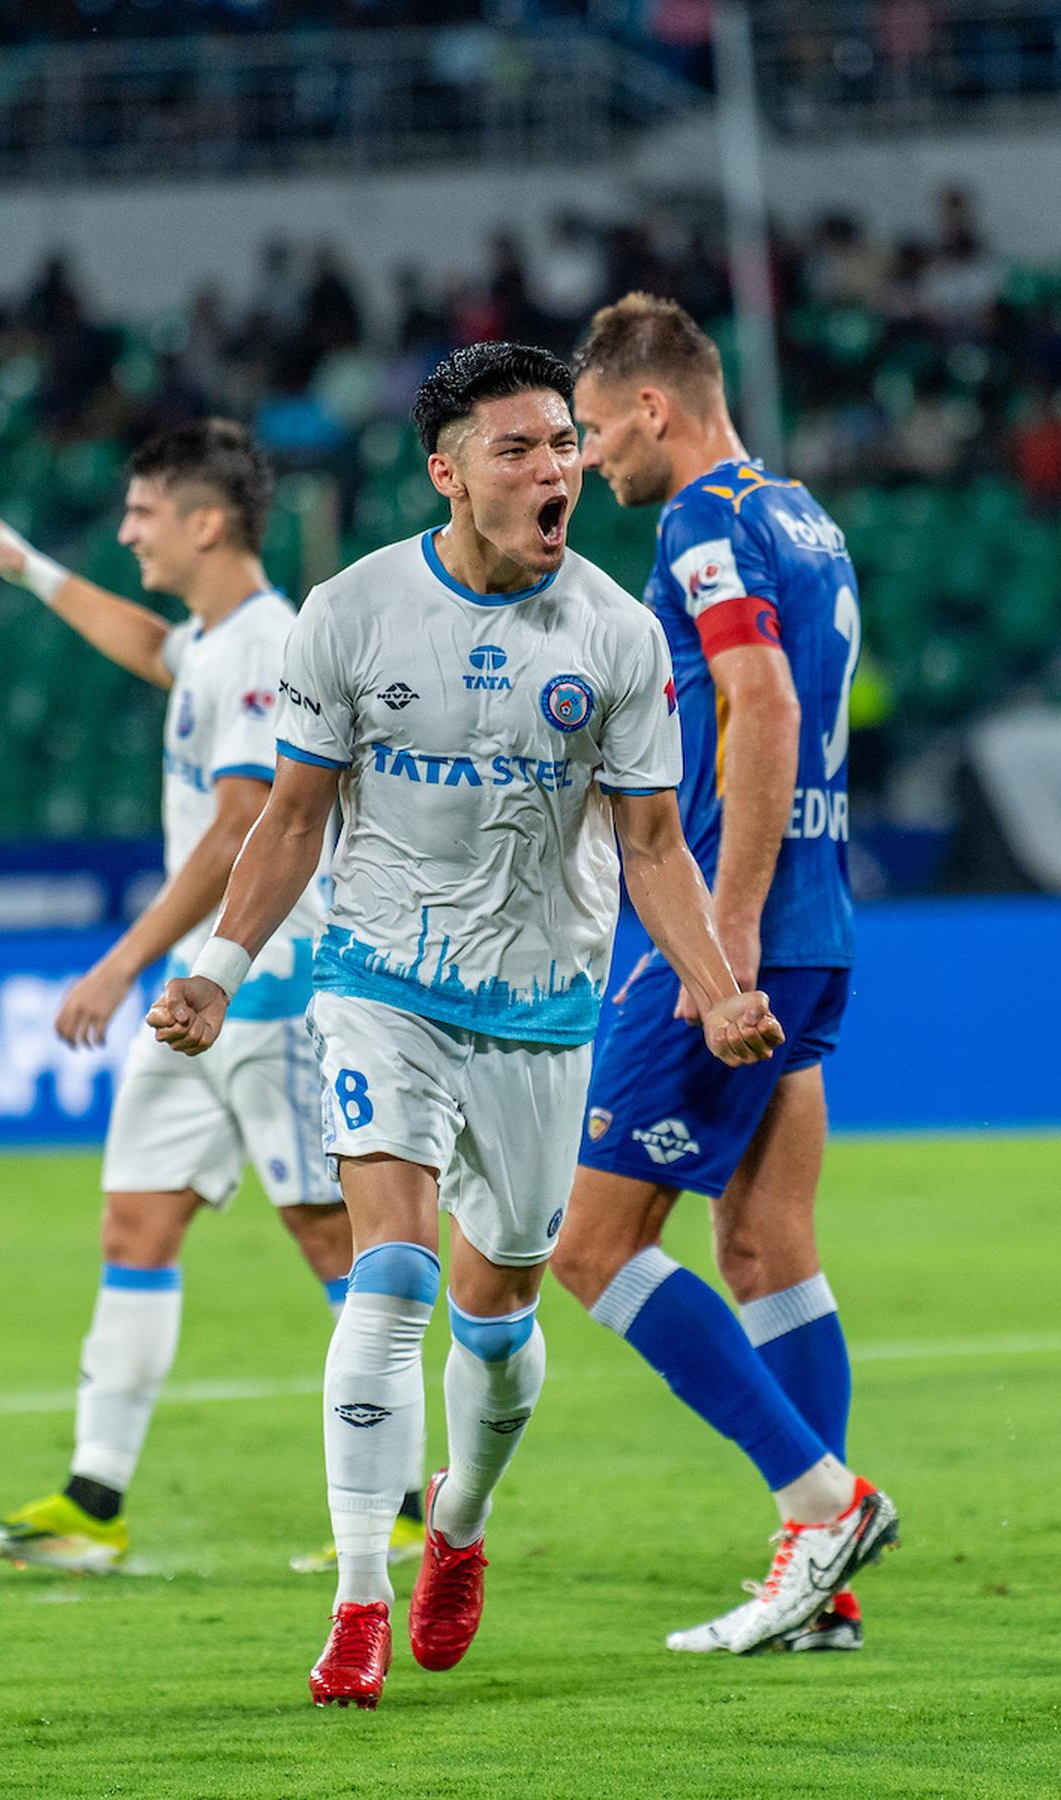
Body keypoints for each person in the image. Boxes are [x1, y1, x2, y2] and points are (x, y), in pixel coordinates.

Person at [147, 342, 785, 1712]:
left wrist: (716, 981)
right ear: (448, 472)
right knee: (393, 1278)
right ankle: (357, 1603)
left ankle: (463, 1526)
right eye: (520, 448)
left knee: (499, 1317)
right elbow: (293, 818)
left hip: (544, 1017)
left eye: (565, 443)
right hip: (379, 991)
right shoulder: (353, 612)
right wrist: (219, 964)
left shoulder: (616, 632)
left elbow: (657, 845)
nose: (558, 468)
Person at [0, 419, 425, 1575]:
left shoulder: (271, 643)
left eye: (143, 513)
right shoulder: (219, 640)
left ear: (206, 521)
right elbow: (154, 647)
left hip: (265, 987)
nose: (127, 533)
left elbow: (243, 821)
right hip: (197, 1003)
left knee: (327, 1234)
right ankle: (92, 1503)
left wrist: (118, 962)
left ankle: (407, 1506)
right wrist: (22, 564)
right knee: (137, 1222)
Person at [553, 292, 896, 1654]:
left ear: (655, 408)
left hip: (737, 925)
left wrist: (722, 934)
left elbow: (764, 704)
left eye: (590, 431)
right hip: (823, 916)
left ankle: (823, 1503)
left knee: (590, 1248)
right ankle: (824, 1593)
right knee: (764, 1243)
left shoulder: (701, 522)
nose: (585, 461)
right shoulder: (804, 513)